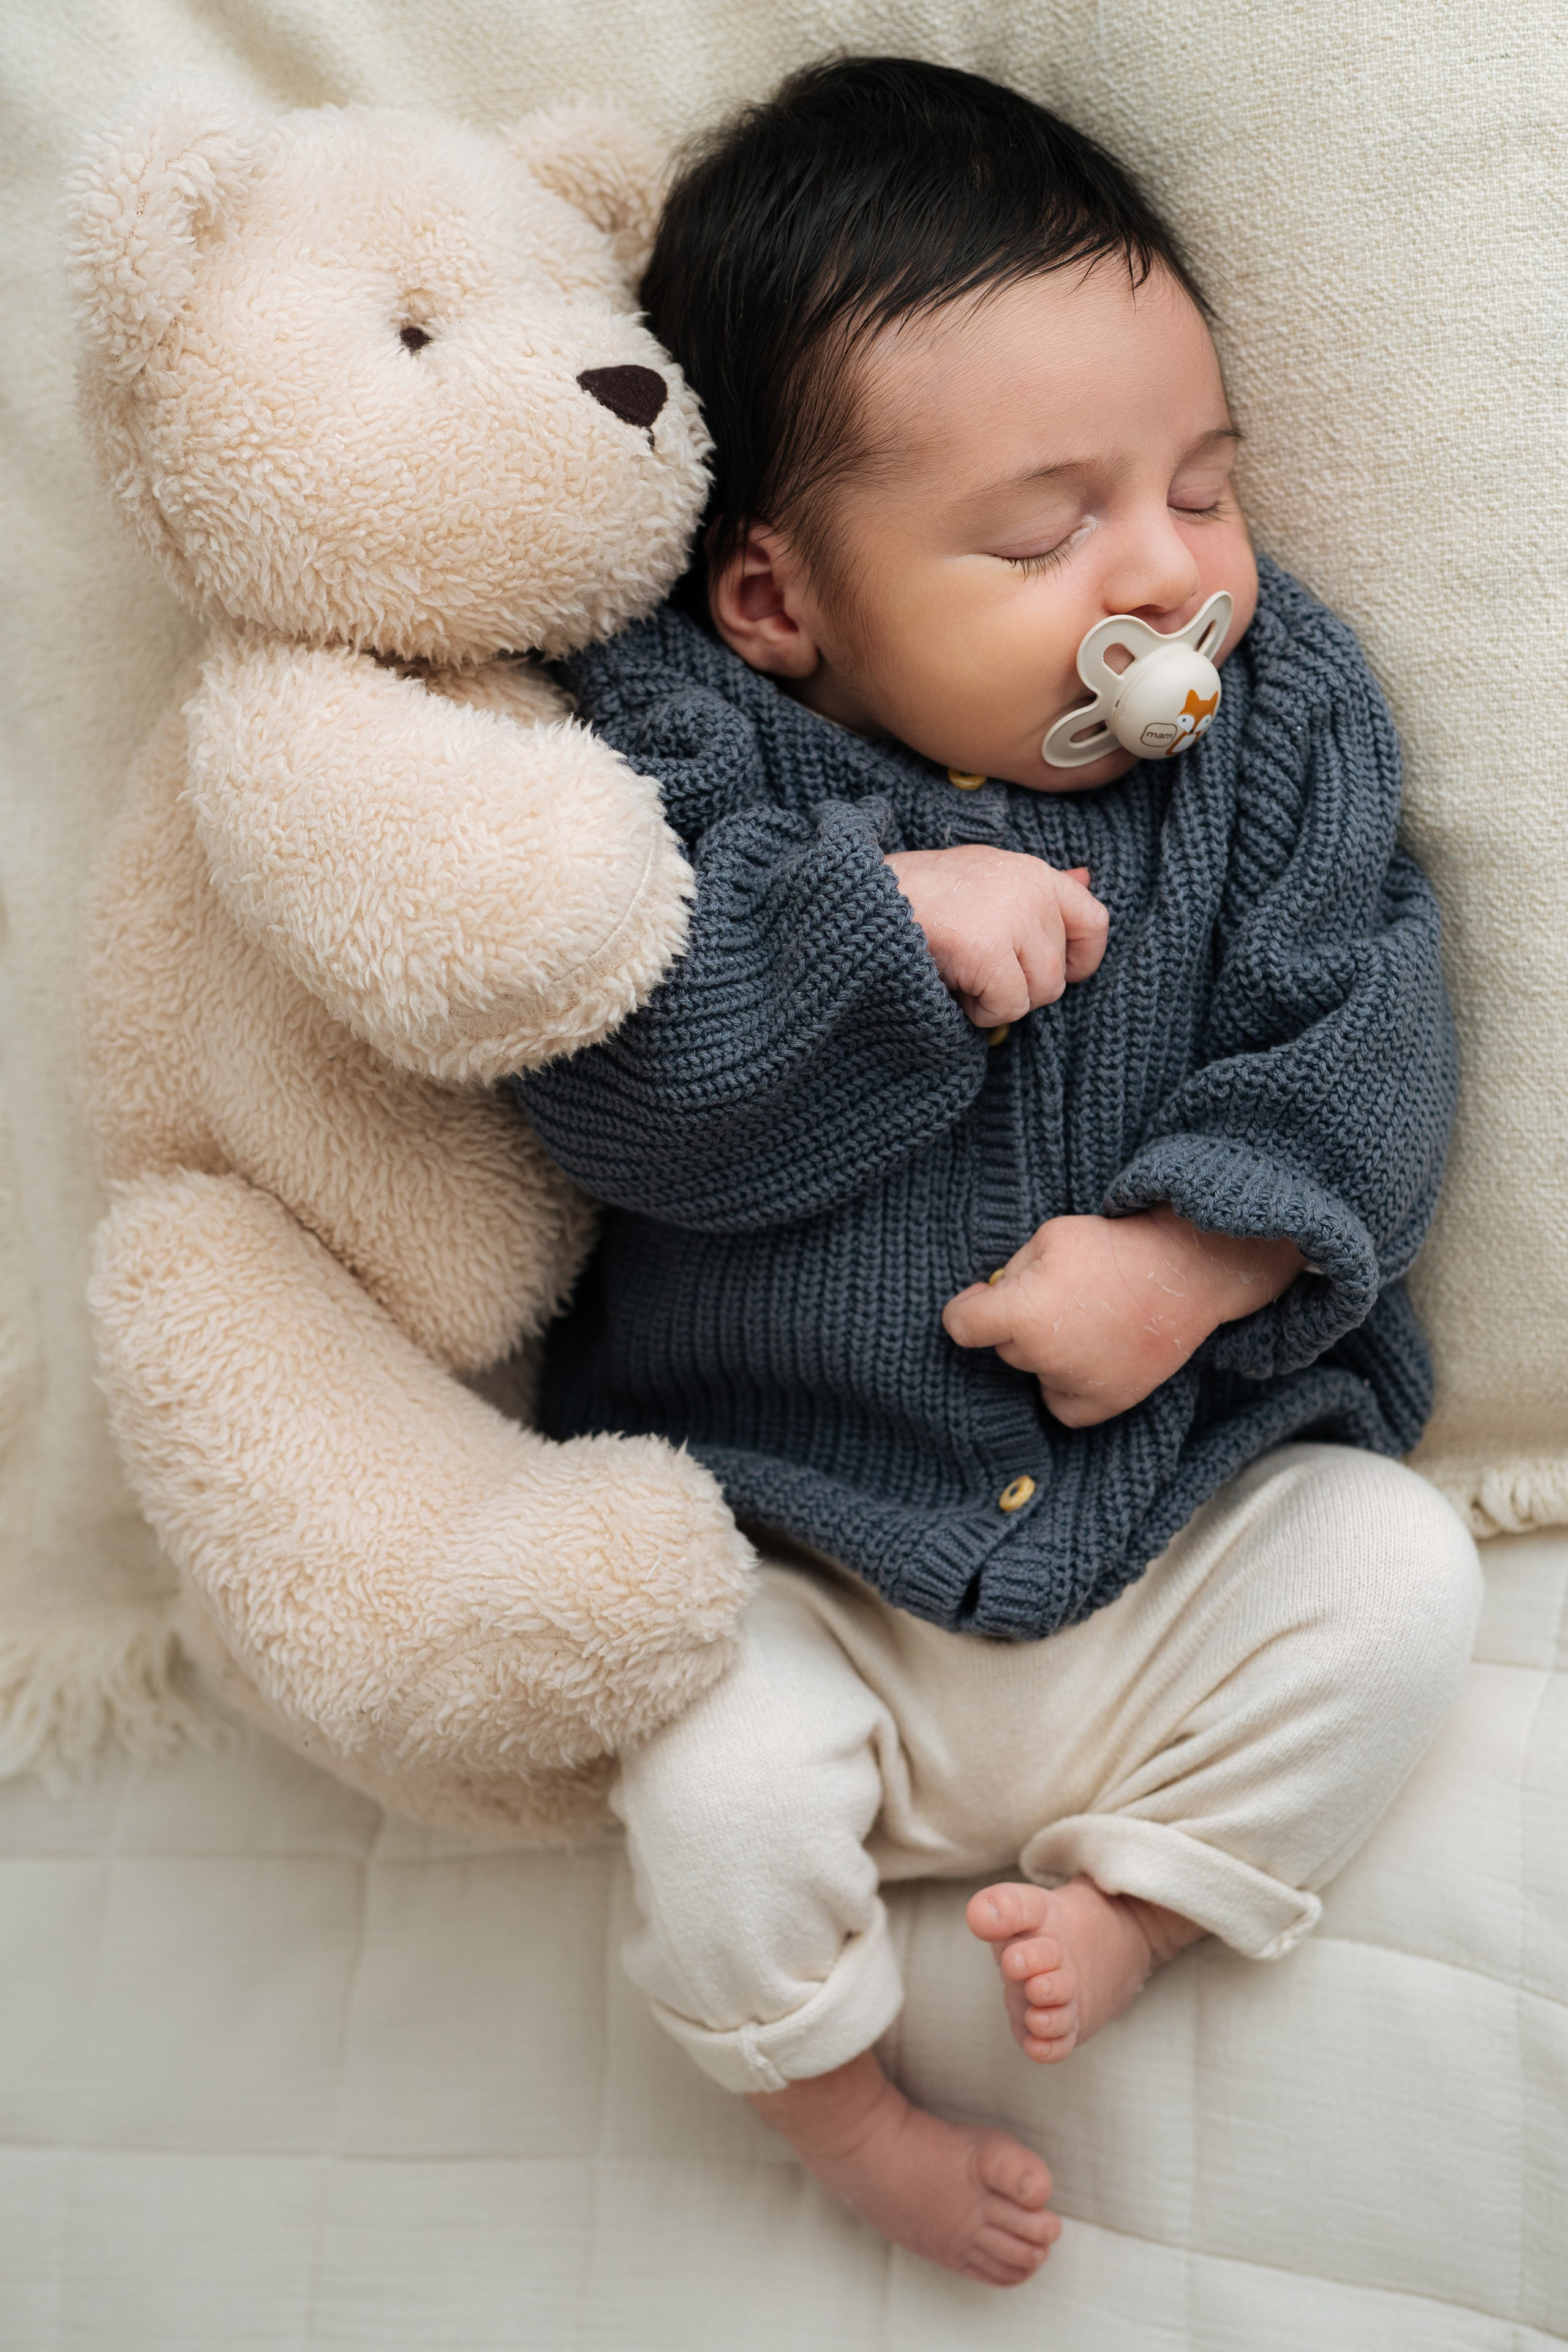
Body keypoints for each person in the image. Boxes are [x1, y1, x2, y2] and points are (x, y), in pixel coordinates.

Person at [515, 56, 1482, 2288]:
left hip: (1176, 1531)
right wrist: (875, 935)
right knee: (710, 1784)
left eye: (1202, 489)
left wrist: (1200, 1260)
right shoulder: (672, 752)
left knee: (1398, 1571)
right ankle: (838, 2103)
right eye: (1049, 536)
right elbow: (616, 1082)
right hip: (801, 1556)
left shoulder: (1287, 728)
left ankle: (1145, 1898)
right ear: (777, 599)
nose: (1166, 579)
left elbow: (1377, 1027)